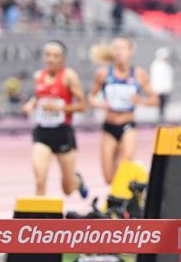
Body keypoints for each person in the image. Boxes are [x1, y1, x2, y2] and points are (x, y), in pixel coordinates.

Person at [22, 41, 88, 198]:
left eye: (55, 56)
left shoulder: (68, 77)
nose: (50, 59)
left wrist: (59, 108)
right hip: (42, 133)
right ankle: (39, 220)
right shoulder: (38, 76)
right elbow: (38, 98)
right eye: (48, 55)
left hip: (63, 133)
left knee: (67, 188)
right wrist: (31, 105)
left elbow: (82, 106)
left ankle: (77, 181)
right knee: (40, 180)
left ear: (62, 59)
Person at [89, 37, 158, 185]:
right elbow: (91, 97)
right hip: (109, 127)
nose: (119, 52)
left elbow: (154, 100)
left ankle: (123, 202)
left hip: (128, 126)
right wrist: (100, 104)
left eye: (122, 48)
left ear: (130, 51)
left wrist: (140, 100)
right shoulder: (103, 73)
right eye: (116, 48)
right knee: (108, 177)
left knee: (124, 168)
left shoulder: (139, 74)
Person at [149, 47, 175, 122]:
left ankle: (162, 118)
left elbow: (168, 79)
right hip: (158, 90)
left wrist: (168, 89)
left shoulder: (167, 67)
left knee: (164, 105)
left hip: (165, 90)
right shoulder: (156, 66)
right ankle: (158, 119)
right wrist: (154, 89)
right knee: (158, 105)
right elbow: (155, 79)